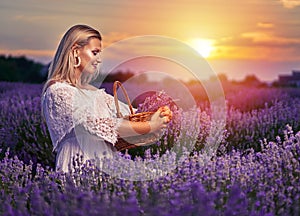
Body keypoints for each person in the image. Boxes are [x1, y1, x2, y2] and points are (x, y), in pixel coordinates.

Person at [41, 24, 172, 173]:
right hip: (79, 161)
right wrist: (149, 126)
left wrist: (158, 113)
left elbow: (130, 115)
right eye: (95, 52)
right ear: (76, 51)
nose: (98, 60)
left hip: (107, 162)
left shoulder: (94, 93)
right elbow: (95, 124)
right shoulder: (57, 91)